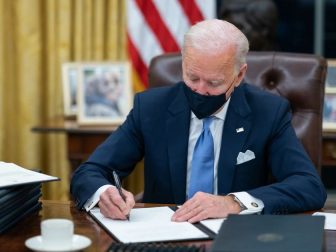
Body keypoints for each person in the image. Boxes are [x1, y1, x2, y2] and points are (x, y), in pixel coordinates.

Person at [70, 19, 326, 223]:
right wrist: (105, 194)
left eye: (214, 83)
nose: (200, 90)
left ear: (239, 75)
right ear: (183, 62)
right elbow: (90, 172)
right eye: (192, 78)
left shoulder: (268, 112)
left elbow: (308, 186)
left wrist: (233, 203)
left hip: (236, 238)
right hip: (164, 237)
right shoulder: (151, 108)